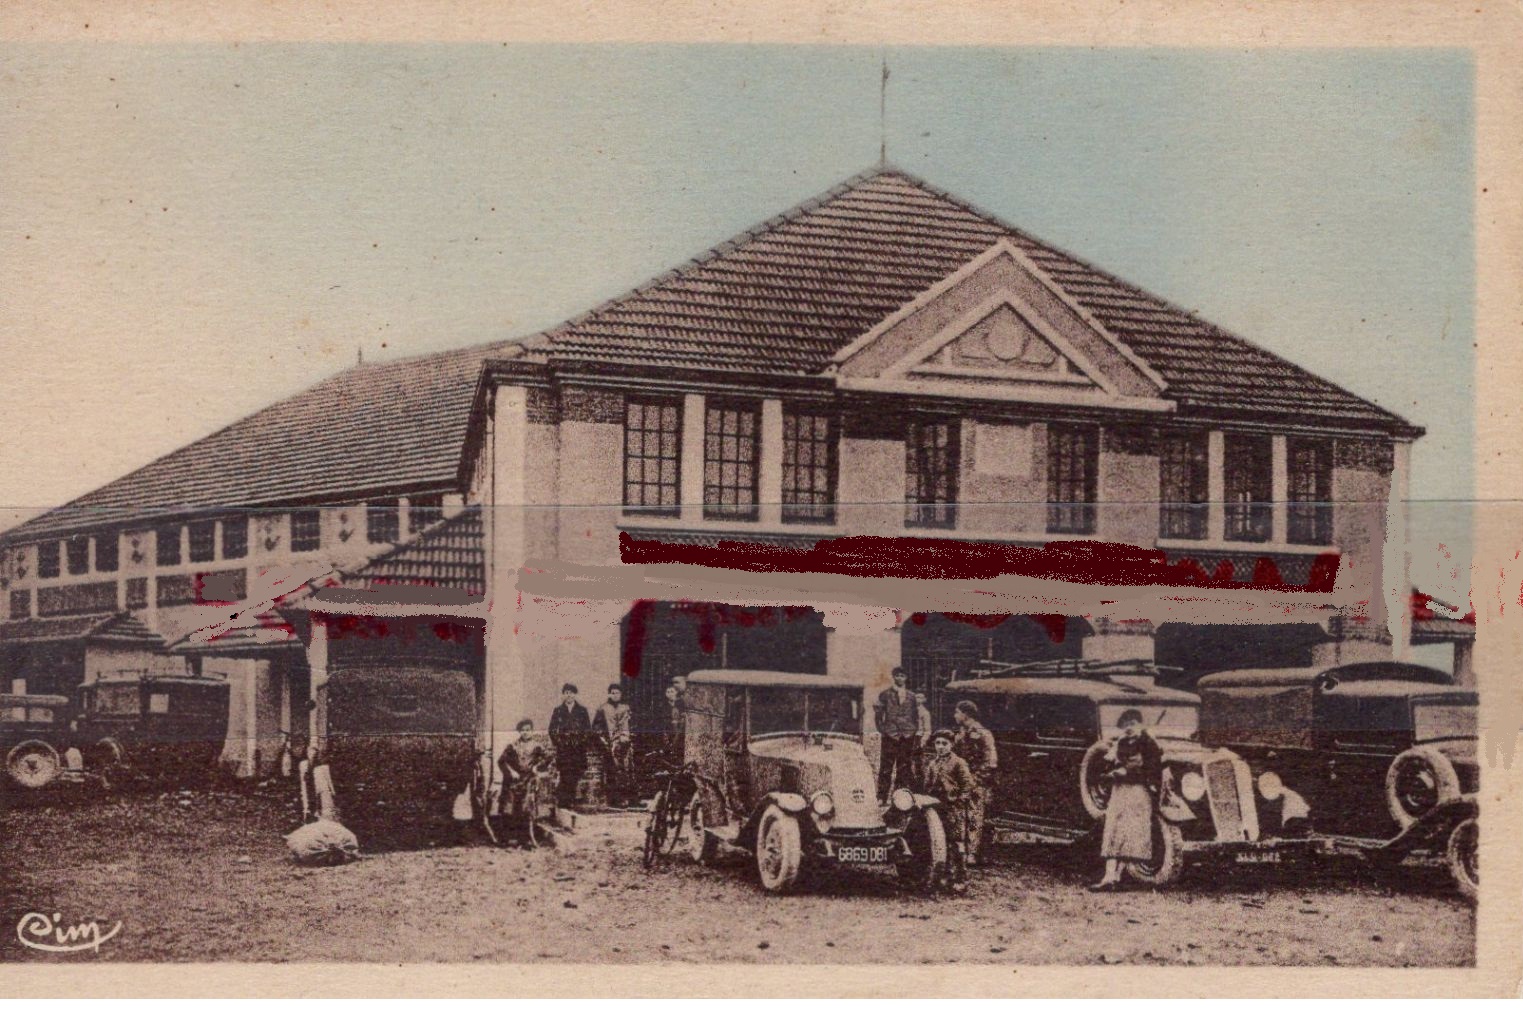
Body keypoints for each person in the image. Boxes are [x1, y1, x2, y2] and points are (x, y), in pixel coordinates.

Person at [1089, 707, 1164, 892]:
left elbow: (1152, 769)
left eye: (1132, 724)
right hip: (1120, 791)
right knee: (1114, 830)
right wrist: (1114, 770)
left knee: (1131, 834)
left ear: (1140, 724)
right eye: (1125, 725)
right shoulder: (1121, 742)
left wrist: (1127, 772)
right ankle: (1109, 877)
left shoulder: (1149, 743)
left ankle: (1118, 877)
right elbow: (1110, 762)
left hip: (1139, 792)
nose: (1129, 728)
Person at [920, 728, 976, 893]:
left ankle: (960, 880)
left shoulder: (958, 762)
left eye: (944, 743)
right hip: (937, 808)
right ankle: (942, 878)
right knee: (939, 843)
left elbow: (968, 785)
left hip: (953, 809)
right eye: (937, 743)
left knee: (956, 844)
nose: (940, 746)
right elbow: (927, 786)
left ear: (951, 745)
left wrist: (960, 801)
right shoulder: (932, 764)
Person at [951, 699, 998, 866]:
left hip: (977, 783)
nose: (955, 715)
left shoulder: (983, 734)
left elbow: (991, 762)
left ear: (966, 714)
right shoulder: (961, 734)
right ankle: (962, 852)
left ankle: (972, 854)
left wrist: (974, 780)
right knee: (960, 817)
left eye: (957, 712)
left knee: (975, 817)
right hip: (962, 782)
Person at [497, 718, 554, 845]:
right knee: (510, 809)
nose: (525, 732)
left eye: (528, 730)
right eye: (522, 730)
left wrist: (537, 767)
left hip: (528, 780)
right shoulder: (513, 745)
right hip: (514, 781)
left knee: (526, 809)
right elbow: (501, 761)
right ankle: (507, 838)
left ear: (531, 731)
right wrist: (511, 772)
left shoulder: (537, 746)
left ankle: (525, 839)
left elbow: (548, 758)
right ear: (519, 731)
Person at [874, 666, 925, 803]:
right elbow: (878, 715)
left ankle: (898, 796)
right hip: (890, 735)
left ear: (906, 678)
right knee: (886, 766)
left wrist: (913, 730)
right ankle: (881, 796)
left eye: (902, 676)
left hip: (907, 736)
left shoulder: (912, 696)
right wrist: (883, 730)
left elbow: (916, 716)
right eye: (897, 675)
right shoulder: (885, 694)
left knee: (904, 767)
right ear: (893, 677)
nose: (900, 678)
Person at [548, 683, 593, 808]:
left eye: (571, 693)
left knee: (576, 773)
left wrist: (581, 742)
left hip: (578, 749)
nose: (569, 695)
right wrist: (559, 743)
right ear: (563, 695)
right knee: (565, 773)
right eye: (566, 693)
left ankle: (569, 799)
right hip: (564, 749)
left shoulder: (582, 711)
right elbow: (552, 730)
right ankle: (564, 802)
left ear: (575, 694)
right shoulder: (558, 711)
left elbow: (587, 730)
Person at [594, 683, 633, 807]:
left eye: (617, 693)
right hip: (610, 744)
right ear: (609, 694)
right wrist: (603, 740)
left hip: (625, 743)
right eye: (613, 693)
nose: (615, 695)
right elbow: (597, 727)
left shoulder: (626, 708)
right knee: (612, 771)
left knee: (626, 770)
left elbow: (631, 724)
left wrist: (628, 737)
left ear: (621, 694)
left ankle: (627, 798)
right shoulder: (603, 709)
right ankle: (613, 799)